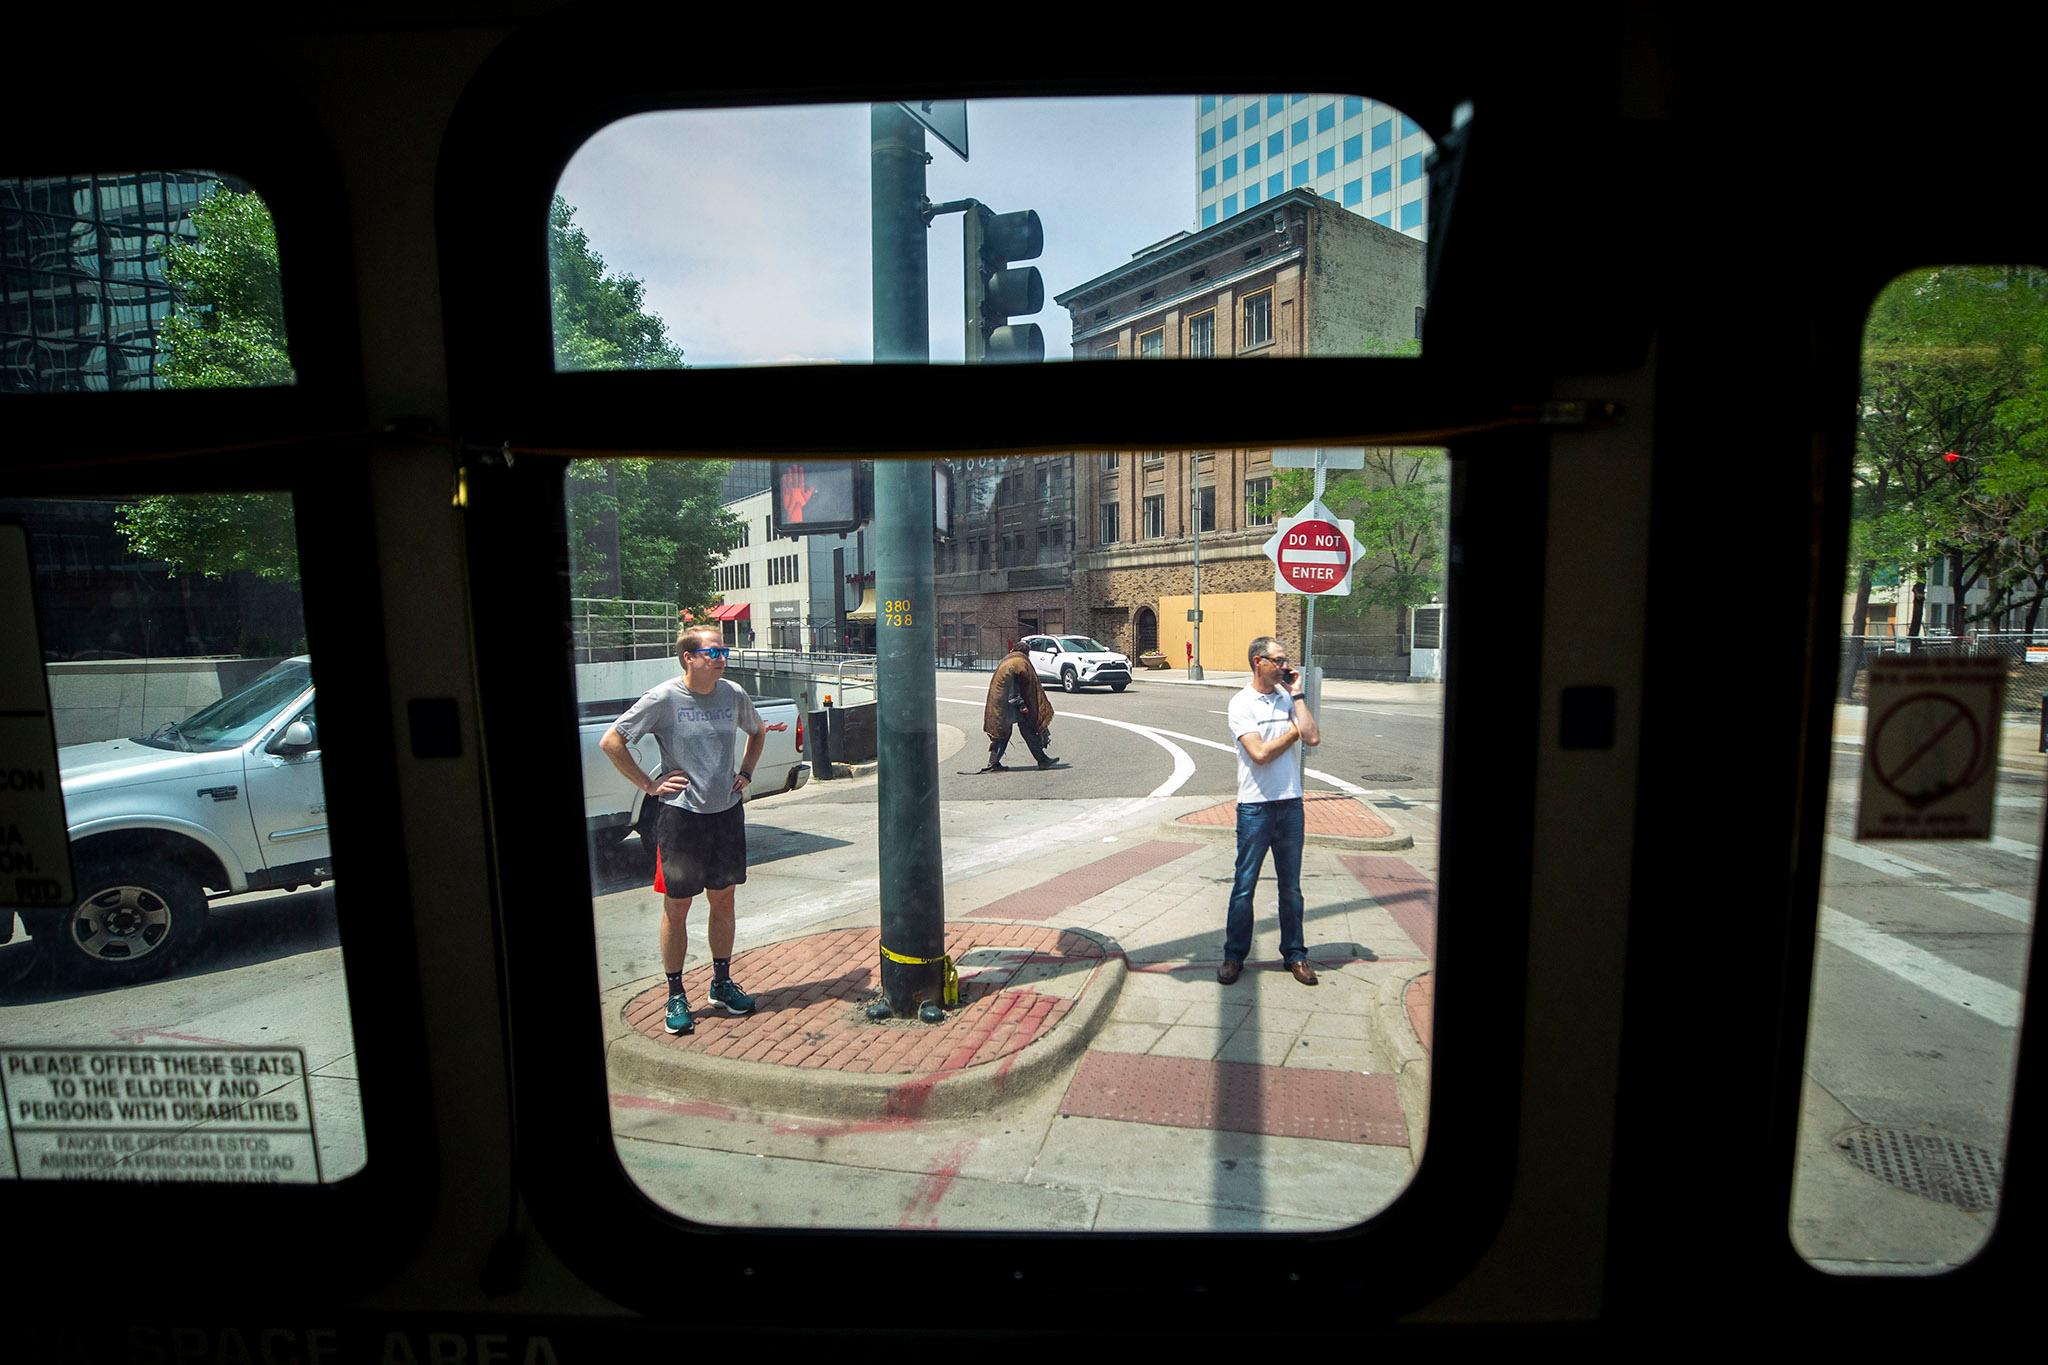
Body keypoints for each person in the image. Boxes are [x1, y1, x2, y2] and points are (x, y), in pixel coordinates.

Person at [599, 625, 767, 1036]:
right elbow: (612, 741)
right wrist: (649, 786)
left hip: (726, 814)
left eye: (723, 651)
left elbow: (758, 731)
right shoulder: (664, 698)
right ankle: (676, 994)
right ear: (689, 658)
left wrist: (745, 772)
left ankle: (721, 983)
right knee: (677, 908)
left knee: (723, 900)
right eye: (712, 652)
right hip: (680, 818)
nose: (721, 657)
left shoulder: (733, 694)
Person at [1219, 635, 1321, 986]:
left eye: (1285, 659)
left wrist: (1297, 695)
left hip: (1290, 803)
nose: (1284, 666)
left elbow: (1312, 738)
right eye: (1277, 660)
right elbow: (1259, 755)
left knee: (1291, 887)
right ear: (1257, 662)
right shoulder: (1241, 703)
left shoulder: (1288, 698)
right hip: (1255, 808)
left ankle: (1295, 954)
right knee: (1244, 886)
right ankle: (1234, 956)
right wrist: (1294, 730)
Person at [980, 644, 1058, 772]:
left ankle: (994, 763)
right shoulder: (1018, 663)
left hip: (1002, 702)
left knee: (1007, 732)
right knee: (1020, 730)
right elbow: (1013, 689)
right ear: (1025, 652)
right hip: (1009, 704)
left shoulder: (1009, 660)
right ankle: (1042, 760)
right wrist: (1021, 705)